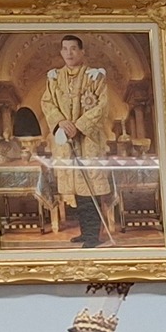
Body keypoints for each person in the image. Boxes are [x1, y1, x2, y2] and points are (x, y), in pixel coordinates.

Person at [41, 33, 112, 247]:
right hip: (66, 144)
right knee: (76, 190)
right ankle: (85, 232)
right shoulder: (54, 78)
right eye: (65, 49)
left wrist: (79, 126)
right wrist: (61, 122)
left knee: (89, 188)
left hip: (88, 142)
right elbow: (47, 102)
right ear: (61, 52)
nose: (69, 53)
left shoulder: (95, 76)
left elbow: (103, 105)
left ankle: (93, 237)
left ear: (82, 52)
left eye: (74, 49)